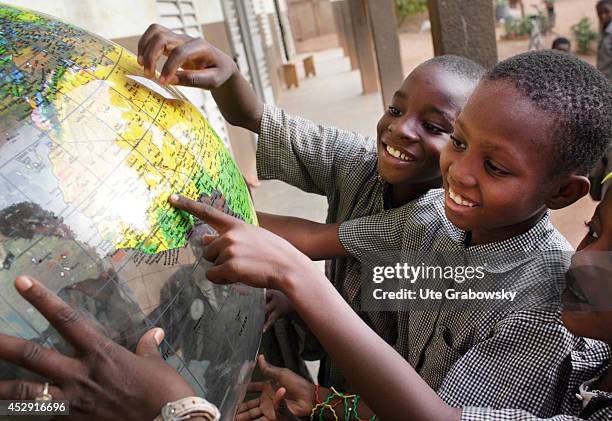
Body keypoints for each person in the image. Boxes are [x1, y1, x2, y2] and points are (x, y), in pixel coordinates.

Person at [169, 50, 612, 417]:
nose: (458, 173)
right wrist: (329, 400)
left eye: (495, 167)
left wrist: (299, 280)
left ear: (563, 193)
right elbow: (392, 296)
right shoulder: (441, 223)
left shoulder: (544, 309)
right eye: (459, 142)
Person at [136, 24, 485, 388]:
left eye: (432, 126)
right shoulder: (363, 163)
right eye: (395, 109)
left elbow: (312, 240)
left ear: (464, 143)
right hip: (335, 373)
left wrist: (215, 204)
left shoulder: (435, 219)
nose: (400, 129)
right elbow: (258, 117)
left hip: (386, 398)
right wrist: (227, 76)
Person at [597, 0, 612, 80]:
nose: (603, 16)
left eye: (607, 12)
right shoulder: (604, 30)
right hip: (604, 79)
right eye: (599, 13)